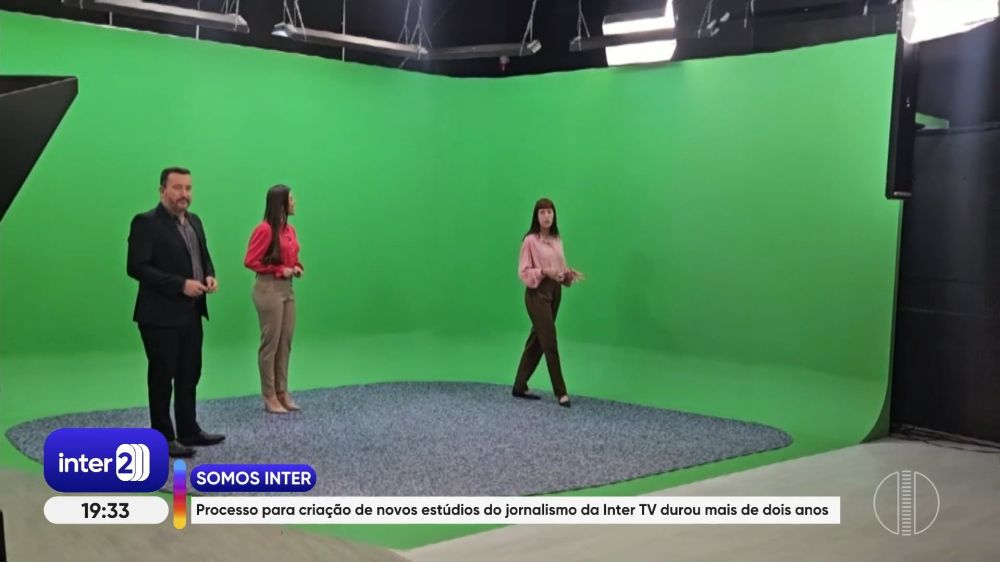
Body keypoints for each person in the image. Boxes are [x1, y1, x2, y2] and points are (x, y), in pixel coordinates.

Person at [127, 167, 226, 458]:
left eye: (188, 188)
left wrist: (209, 275)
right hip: (159, 316)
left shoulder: (195, 221)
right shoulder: (145, 223)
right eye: (178, 188)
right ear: (162, 191)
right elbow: (136, 267)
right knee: (162, 377)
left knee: (189, 373)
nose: (184, 194)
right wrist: (181, 285)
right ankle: (163, 437)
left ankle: (188, 430)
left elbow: (202, 256)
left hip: (192, 313)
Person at [511, 197, 584, 407]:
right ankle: (561, 392)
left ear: (554, 215)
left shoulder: (557, 239)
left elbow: (559, 269)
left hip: (555, 293)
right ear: (536, 216)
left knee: (538, 340)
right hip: (537, 294)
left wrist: (568, 274)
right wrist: (544, 271)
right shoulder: (530, 241)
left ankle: (519, 385)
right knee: (549, 340)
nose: (546, 216)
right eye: (542, 212)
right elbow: (524, 272)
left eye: (550, 212)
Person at [244, 184, 303, 414]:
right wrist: (279, 270)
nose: (294, 202)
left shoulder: (290, 230)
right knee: (271, 343)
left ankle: (282, 391)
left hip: (287, 289)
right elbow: (250, 260)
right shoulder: (264, 230)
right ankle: (269, 395)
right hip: (268, 289)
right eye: (291, 199)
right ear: (281, 203)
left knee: (285, 342)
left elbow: (292, 256)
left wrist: (296, 266)